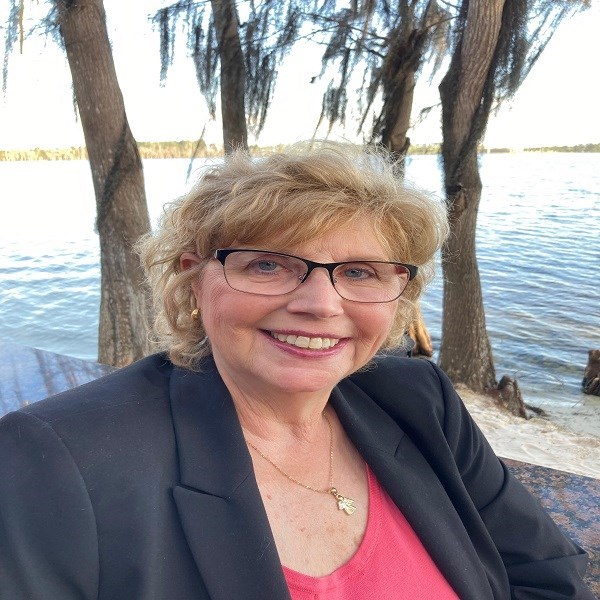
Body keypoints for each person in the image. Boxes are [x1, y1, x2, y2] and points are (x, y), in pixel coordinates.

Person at [0, 143, 593, 600]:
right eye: (267, 265)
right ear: (193, 279)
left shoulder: (419, 399)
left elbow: (548, 574)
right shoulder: (60, 460)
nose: (320, 305)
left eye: (360, 272)